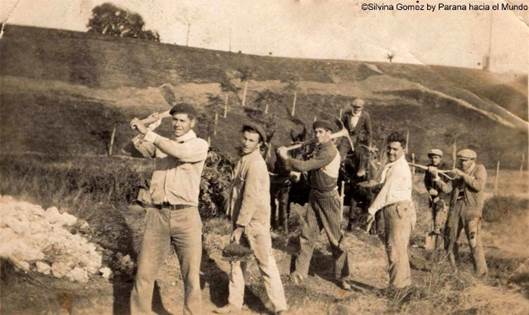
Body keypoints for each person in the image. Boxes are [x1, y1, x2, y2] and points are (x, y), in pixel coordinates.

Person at [129, 103, 209, 315]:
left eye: (183, 120)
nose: (177, 124)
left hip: (187, 216)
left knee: (191, 276)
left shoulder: (199, 145)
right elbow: (130, 149)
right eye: (174, 120)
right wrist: (145, 125)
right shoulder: (162, 143)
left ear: (192, 123)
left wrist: (151, 135)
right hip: (157, 215)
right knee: (144, 274)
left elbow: (179, 152)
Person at [216, 122, 288, 314]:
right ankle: (234, 304)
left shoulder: (256, 164)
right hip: (240, 221)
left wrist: (239, 226)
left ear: (260, 144)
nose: (247, 143)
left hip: (254, 223)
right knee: (236, 260)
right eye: (245, 138)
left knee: (265, 262)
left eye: (252, 140)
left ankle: (280, 307)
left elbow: (250, 198)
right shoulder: (243, 159)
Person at [277, 119, 354, 291]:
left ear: (329, 133)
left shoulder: (330, 152)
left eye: (321, 132)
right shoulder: (319, 147)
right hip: (315, 196)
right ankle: (300, 273)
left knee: (335, 240)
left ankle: (343, 276)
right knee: (307, 236)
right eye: (316, 132)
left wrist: (286, 157)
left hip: (328, 199)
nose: (317, 135)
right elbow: (307, 159)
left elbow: (306, 166)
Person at [366, 132, 415, 290]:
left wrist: (371, 210)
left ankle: (397, 289)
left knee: (395, 251)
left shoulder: (399, 168)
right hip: (395, 208)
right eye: (389, 149)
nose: (391, 152)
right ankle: (403, 286)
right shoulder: (391, 165)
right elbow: (380, 182)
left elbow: (386, 191)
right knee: (398, 249)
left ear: (403, 149)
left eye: (395, 149)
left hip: (397, 209)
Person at [442, 149, 488, 276]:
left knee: (474, 241)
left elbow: (478, 185)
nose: (461, 163)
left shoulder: (479, 169)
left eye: (464, 161)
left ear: (472, 160)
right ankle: (455, 270)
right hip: (455, 209)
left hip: (472, 211)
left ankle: (481, 273)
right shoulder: (458, 171)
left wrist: (462, 175)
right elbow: (447, 188)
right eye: (460, 160)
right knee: (449, 239)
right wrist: (435, 177)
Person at [339, 98, 373, 178]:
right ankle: (340, 170)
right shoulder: (347, 114)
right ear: (352, 106)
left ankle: (361, 170)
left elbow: (369, 132)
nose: (357, 109)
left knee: (361, 153)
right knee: (340, 155)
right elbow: (341, 126)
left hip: (359, 139)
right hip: (346, 138)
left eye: (359, 107)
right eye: (355, 107)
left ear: (362, 108)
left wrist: (369, 145)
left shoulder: (365, 116)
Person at [424, 149, 450, 251]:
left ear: (440, 158)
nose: (434, 159)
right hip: (433, 199)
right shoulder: (429, 168)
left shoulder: (446, 169)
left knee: (441, 223)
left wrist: (440, 196)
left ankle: (444, 247)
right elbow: (426, 182)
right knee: (434, 222)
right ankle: (434, 247)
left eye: (436, 157)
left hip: (444, 201)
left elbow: (448, 186)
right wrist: (430, 189)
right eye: (432, 157)